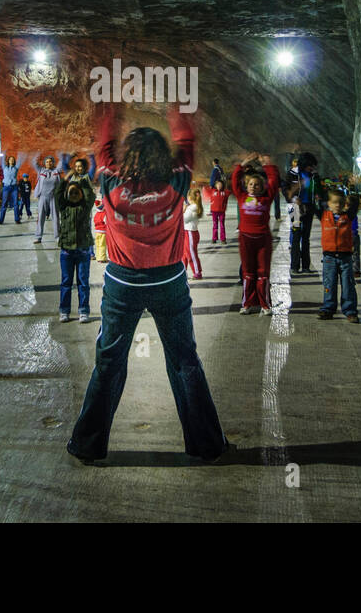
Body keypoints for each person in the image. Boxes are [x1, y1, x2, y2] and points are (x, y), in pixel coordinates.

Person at [67, 103, 229, 465]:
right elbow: (186, 140)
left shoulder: (110, 179)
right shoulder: (177, 180)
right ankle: (206, 444)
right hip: (168, 280)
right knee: (185, 360)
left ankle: (88, 445)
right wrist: (176, 107)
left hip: (122, 283)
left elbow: (103, 146)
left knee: (109, 363)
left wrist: (111, 110)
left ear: (126, 155)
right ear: (164, 155)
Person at [232, 154, 280, 315]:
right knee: (248, 273)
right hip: (245, 238)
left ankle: (265, 304)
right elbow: (234, 181)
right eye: (251, 184)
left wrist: (268, 165)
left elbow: (274, 181)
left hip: (263, 240)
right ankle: (247, 304)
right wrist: (242, 165)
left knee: (263, 273)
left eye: (257, 185)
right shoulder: (242, 196)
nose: (254, 187)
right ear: (247, 185)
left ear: (262, 187)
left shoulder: (266, 199)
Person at [54, 167, 96, 322]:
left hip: (83, 251)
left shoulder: (84, 208)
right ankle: (64, 310)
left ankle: (83, 310)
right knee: (66, 282)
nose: (73, 195)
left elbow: (90, 195)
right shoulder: (64, 208)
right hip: (66, 251)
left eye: (76, 193)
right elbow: (58, 193)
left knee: (83, 282)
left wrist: (83, 180)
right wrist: (67, 179)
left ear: (80, 195)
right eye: (70, 193)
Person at [318, 188, 358, 322]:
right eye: (334, 202)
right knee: (329, 284)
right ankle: (328, 308)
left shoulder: (347, 216)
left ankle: (350, 310)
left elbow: (356, 203)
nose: (337, 205)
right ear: (328, 204)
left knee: (348, 285)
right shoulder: (324, 215)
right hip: (329, 258)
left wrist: (349, 197)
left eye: (340, 202)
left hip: (345, 257)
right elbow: (315, 205)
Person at [284, 152, 323, 272]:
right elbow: (285, 190)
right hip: (295, 207)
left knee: (306, 237)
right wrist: (294, 199)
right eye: (310, 165)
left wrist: (319, 196)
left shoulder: (314, 175)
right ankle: (294, 266)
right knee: (296, 235)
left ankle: (306, 266)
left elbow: (319, 189)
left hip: (309, 206)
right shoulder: (292, 174)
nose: (312, 168)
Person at [33, 155, 61, 245]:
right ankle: (38, 237)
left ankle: (57, 237)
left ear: (53, 163)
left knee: (56, 217)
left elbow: (62, 162)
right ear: (45, 163)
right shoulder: (41, 171)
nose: (49, 163)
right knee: (40, 217)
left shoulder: (56, 171)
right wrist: (37, 153)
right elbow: (34, 163)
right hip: (43, 197)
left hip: (53, 197)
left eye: (50, 161)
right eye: (47, 162)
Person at [181, 186, 203, 280]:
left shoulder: (191, 208)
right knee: (184, 254)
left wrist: (183, 210)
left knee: (190, 254)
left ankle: (197, 272)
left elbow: (183, 219)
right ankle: (183, 271)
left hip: (190, 233)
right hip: (189, 232)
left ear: (190, 197)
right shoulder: (195, 207)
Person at [202, 178, 230, 244]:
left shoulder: (225, 192)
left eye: (220, 185)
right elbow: (205, 188)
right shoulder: (212, 191)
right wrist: (211, 185)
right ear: (216, 185)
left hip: (222, 212)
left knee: (222, 225)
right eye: (218, 185)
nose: (219, 186)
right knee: (215, 225)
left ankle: (223, 239)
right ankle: (214, 238)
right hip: (214, 211)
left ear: (223, 185)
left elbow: (232, 190)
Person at [0, 155, 21, 224]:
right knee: (4, 203)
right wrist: (4, 153)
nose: (11, 160)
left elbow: (20, 160)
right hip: (6, 187)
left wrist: (20, 153)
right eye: (10, 159)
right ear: (8, 161)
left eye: (13, 159)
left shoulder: (16, 168)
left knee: (16, 203)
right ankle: (1, 220)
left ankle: (17, 219)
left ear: (14, 161)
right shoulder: (5, 167)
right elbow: (1, 161)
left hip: (14, 187)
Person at [92, 198, 108, 263]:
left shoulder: (96, 214)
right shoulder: (104, 214)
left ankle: (98, 257)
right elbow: (106, 222)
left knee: (98, 245)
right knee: (103, 245)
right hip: (103, 231)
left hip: (97, 231)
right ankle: (102, 258)